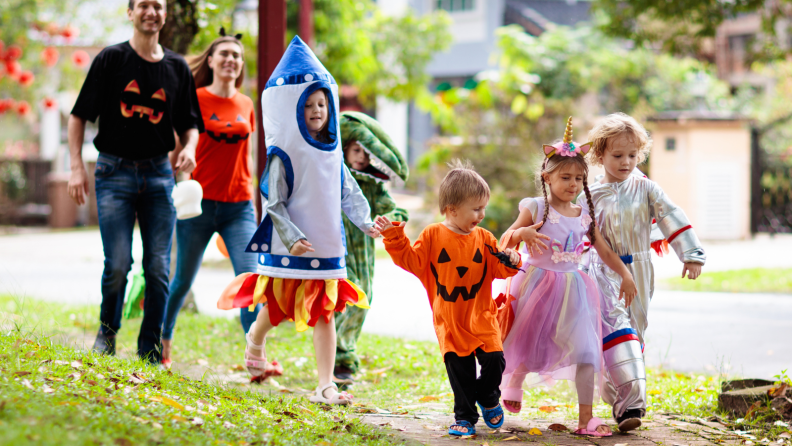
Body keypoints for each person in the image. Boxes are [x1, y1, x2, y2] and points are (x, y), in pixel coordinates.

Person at [217, 36, 376, 403]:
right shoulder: (282, 153)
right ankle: (255, 340)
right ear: (292, 109)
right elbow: (274, 202)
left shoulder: (333, 153)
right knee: (277, 307)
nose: (317, 109)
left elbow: (348, 191)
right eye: (308, 104)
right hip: (292, 246)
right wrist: (290, 238)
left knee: (325, 312)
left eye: (322, 103)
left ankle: (325, 384)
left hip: (326, 245)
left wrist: (367, 223)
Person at [67, 0, 203, 365]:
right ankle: (107, 333)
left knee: (159, 266)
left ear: (164, 15)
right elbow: (79, 116)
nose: (151, 11)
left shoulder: (177, 68)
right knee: (118, 263)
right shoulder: (111, 60)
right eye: (143, 4)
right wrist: (76, 166)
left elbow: (191, 124)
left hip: (160, 175)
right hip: (114, 173)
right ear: (130, 12)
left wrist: (189, 147)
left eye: (157, 6)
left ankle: (150, 348)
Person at [496, 117, 637, 437]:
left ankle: (585, 418)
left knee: (588, 350)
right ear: (546, 177)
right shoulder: (534, 207)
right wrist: (523, 232)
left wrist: (625, 274)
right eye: (564, 177)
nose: (572, 184)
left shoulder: (584, 214)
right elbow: (504, 241)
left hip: (575, 287)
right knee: (528, 342)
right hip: (537, 284)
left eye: (578, 178)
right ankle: (513, 379)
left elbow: (603, 250)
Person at [375, 160, 521, 437]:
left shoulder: (485, 238)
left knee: (494, 359)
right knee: (460, 371)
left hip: (481, 315)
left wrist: (512, 259)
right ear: (452, 209)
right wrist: (394, 236)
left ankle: (488, 396)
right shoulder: (433, 235)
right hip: (450, 319)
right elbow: (411, 260)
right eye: (476, 208)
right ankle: (465, 418)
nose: (482, 213)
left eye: (483, 207)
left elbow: (500, 269)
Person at [580, 113, 706, 431]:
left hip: (639, 270)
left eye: (633, 155)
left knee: (635, 331)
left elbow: (671, 215)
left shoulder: (647, 188)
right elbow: (575, 234)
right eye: (617, 155)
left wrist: (691, 255)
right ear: (600, 155)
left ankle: (622, 403)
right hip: (602, 271)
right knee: (616, 331)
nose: (626, 162)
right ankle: (633, 401)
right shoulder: (589, 197)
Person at [160, 30, 259, 369]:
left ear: (241, 65)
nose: (231, 59)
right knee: (182, 280)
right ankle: (164, 340)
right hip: (197, 206)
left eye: (236, 55)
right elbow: (178, 149)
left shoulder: (247, 104)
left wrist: (256, 196)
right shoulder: (195, 99)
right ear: (213, 61)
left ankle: (256, 359)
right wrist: (182, 184)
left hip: (239, 207)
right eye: (224, 54)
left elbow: (248, 156)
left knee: (249, 281)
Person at [333, 111, 410, 387]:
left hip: (363, 250)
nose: (362, 158)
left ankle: (342, 358)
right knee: (340, 297)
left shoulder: (372, 183)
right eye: (356, 150)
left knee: (362, 297)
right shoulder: (332, 175)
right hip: (335, 247)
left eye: (366, 153)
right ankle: (338, 356)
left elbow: (393, 208)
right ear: (344, 148)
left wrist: (392, 219)